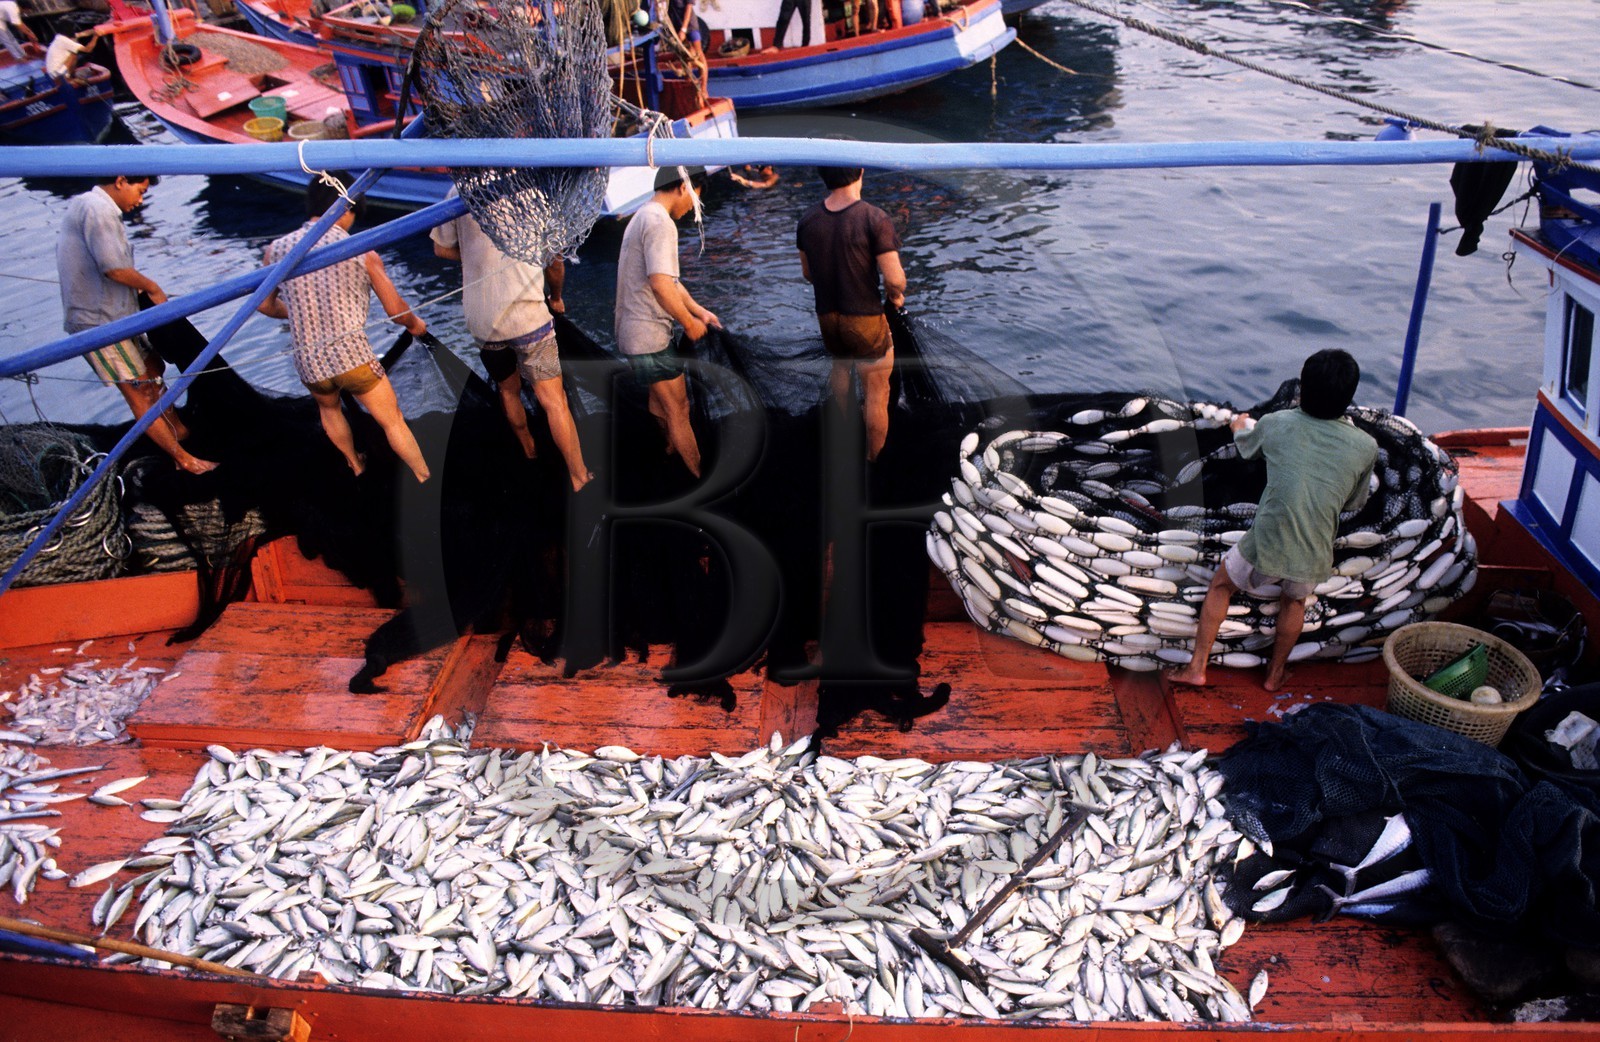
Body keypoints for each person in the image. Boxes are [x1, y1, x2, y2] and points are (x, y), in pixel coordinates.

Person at [1169, 349, 1379, 692]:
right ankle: (1274, 674)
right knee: (1294, 602)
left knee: (1221, 585)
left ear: (1302, 390)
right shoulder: (1366, 446)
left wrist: (1239, 426)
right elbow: (1355, 501)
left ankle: (1196, 668)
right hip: (1315, 549)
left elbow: (1247, 447)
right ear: (1349, 398)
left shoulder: (1276, 423)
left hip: (1268, 540)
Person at [258, 173, 431, 483]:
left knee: (330, 410)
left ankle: (355, 465)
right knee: (392, 421)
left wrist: (296, 311)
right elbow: (396, 311)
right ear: (347, 209)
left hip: (309, 363)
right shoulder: (362, 250)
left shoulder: (276, 249)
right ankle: (422, 475)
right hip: (352, 357)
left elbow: (264, 305)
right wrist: (415, 323)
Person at [56, 175, 218, 475]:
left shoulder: (93, 207)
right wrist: (152, 287)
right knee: (140, 391)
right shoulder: (97, 208)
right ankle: (183, 459)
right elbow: (114, 268)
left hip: (119, 315)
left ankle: (179, 431)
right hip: (99, 323)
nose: (140, 200)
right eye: (140, 191)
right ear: (120, 181)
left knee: (154, 367)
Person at [432, 199, 592, 491]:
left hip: (484, 323)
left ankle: (529, 450)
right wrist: (556, 297)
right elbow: (555, 261)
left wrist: (479, 257)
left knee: (508, 391)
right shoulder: (535, 194)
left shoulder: (458, 193)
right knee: (554, 401)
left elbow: (440, 248)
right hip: (529, 320)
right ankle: (579, 475)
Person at [614, 165, 720, 479]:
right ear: (683, 188)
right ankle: (698, 476)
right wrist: (689, 322)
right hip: (648, 335)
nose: (693, 208)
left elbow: (670, 281)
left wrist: (699, 311)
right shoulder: (661, 222)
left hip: (634, 333)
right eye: (695, 199)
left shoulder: (643, 215)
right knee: (679, 407)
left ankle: (670, 452)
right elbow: (660, 284)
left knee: (660, 402)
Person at [795, 163, 906, 461]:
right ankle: (873, 459)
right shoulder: (874, 217)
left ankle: (844, 430)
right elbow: (895, 279)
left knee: (841, 364)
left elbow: (808, 273)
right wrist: (895, 297)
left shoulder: (807, 220)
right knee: (877, 393)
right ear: (860, 171)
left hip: (828, 319)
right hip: (864, 320)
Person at [664, 0, 707, 93]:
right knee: (684, 55)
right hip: (675, 26)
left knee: (698, 54)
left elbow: (689, 7)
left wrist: (683, 29)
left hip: (690, 26)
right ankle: (689, 83)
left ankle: (704, 88)